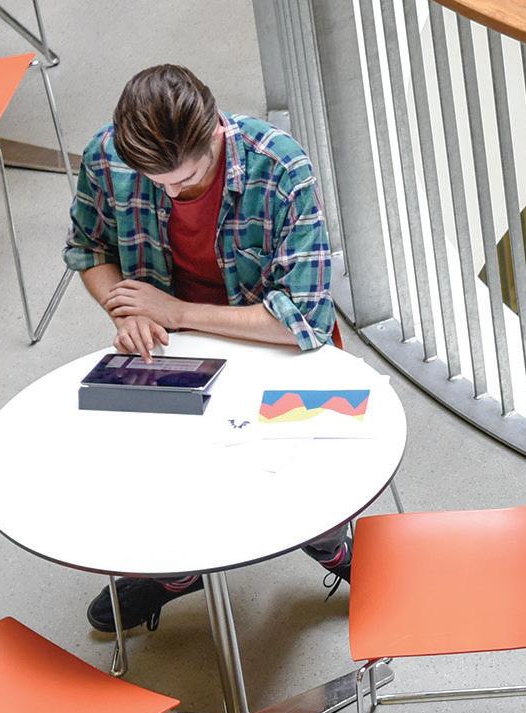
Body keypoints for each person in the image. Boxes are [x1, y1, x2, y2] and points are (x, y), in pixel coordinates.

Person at [63, 64, 347, 637]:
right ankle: (179, 572)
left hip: (278, 349)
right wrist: (128, 310)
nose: (172, 192)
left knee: (301, 479)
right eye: (157, 182)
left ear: (216, 130)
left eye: (186, 178)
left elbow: (304, 321)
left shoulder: (281, 166)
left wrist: (174, 311)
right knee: (157, 474)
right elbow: (88, 248)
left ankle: (330, 546)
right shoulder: (107, 155)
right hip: (172, 352)